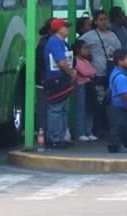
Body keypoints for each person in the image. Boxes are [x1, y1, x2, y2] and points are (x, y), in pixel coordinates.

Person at [79, 10, 122, 136]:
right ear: (96, 22)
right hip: (96, 75)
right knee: (97, 103)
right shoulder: (89, 36)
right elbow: (78, 46)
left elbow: (120, 51)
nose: (104, 22)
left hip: (110, 75)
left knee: (109, 102)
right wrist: (87, 56)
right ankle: (96, 129)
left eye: (105, 19)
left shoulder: (113, 36)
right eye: (101, 20)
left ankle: (107, 127)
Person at [44, 18, 76, 149]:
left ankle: (61, 137)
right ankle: (54, 138)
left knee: (63, 110)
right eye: (65, 27)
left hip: (62, 79)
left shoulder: (62, 42)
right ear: (58, 29)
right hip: (56, 79)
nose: (67, 29)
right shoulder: (55, 42)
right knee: (56, 110)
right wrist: (71, 73)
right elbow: (61, 62)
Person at [107, 49, 127, 153]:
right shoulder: (121, 77)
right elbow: (122, 92)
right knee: (118, 126)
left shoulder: (117, 73)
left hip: (117, 106)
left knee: (123, 126)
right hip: (118, 105)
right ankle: (113, 145)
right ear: (120, 61)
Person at [72, 40, 97, 142]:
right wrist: (89, 73)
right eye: (85, 48)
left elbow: (93, 72)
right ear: (78, 50)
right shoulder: (75, 61)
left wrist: (89, 73)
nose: (87, 51)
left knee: (89, 109)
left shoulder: (86, 61)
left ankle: (88, 131)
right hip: (80, 86)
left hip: (88, 86)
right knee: (80, 109)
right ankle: (79, 132)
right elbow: (85, 72)